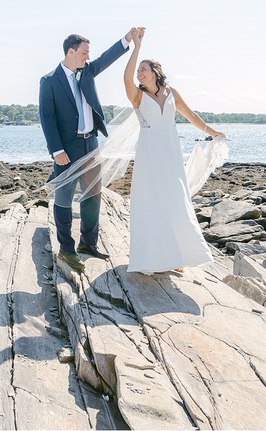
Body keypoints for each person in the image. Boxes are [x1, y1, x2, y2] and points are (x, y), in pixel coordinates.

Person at [124, 28, 227, 274]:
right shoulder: (137, 95)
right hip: (149, 154)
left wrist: (213, 132)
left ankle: (176, 254)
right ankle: (152, 258)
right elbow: (126, 78)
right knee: (151, 201)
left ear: (155, 73)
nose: (140, 72)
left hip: (171, 152)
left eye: (143, 69)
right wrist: (136, 48)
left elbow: (191, 115)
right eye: (139, 69)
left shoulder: (172, 92)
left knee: (174, 200)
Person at [39, 30, 134, 273]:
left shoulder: (87, 71)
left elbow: (106, 58)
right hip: (66, 150)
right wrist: (56, 149)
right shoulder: (49, 81)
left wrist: (127, 39)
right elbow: (47, 118)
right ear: (71, 52)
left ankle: (88, 244)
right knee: (63, 199)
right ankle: (66, 249)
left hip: (91, 144)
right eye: (84, 52)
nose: (87, 57)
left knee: (93, 196)